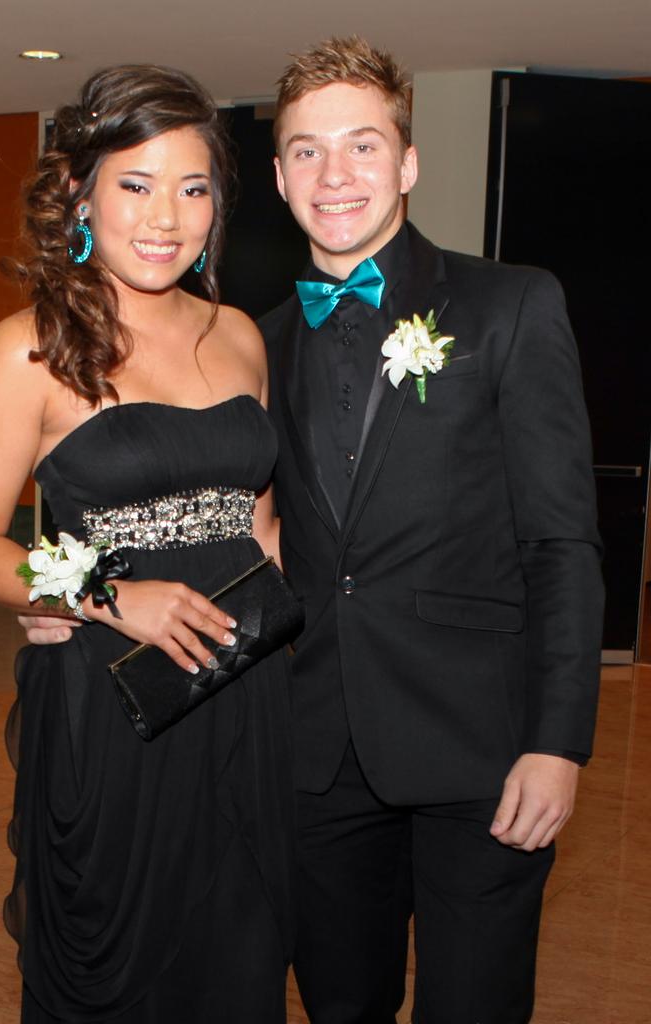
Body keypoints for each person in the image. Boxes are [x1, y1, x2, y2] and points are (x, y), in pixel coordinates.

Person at [255, 36, 604, 1024]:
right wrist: (91, 597)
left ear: (407, 162)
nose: (337, 174)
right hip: (318, 754)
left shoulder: (511, 306)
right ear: (280, 176)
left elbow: (562, 543)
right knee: (339, 1006)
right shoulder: (256, 340)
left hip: (483, 748)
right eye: (308, 151)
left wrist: (559, 741)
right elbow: (236, 532)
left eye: (363, 145)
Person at [0, 64, 295, 1023]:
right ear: (80, 194)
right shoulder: (29, 349)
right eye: (135, 184)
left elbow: (256, 520)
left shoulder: (240, 338)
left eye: (193, 187)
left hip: (243, 698)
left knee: (238, 958)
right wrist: (101, 593)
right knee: (115, 968)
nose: (165, 216)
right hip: (111, 701)